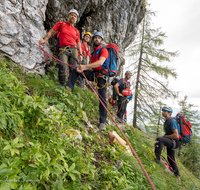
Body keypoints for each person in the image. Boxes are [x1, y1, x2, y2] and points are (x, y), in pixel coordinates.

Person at [66, 31, 109, 130]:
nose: (97, 39)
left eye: (99, 38)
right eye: (95, 38)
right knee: (75, 70)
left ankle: (102, 122)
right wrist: (82, 69)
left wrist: (85, 66)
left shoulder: (104, 50)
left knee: (102, 99)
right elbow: (92, 66)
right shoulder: (94, 52)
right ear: (93, 40)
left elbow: (100, 63)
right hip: (94, 74)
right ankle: (68, 89)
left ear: (101, 41)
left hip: (101, 77)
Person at [39, 9, 83, 86]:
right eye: (72, 15)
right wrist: (45, 40)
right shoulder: (61, 24)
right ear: (69, 16)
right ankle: (61, 84)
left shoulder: (76, 31)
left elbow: (78, 43)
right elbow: (51, 32)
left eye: (75, 16)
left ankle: (70, 86)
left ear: (76, 19)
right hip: (63, 48)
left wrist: (81, 54)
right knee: (62, 65)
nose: (73, 17)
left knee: (73, 68)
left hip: (74, 49)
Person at [154, 106, 180, 178]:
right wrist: (162, 137)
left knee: (160, 140)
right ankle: (177, 175)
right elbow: (169, 133)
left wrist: (163, 138)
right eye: (162, 111)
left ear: (169, 113)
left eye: (164, 111)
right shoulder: (167, 121)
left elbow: (175, 135)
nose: (163, 112)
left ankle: (157, 159)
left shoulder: (172, 121)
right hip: (171, 141)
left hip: (175, 142)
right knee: (170, 158)